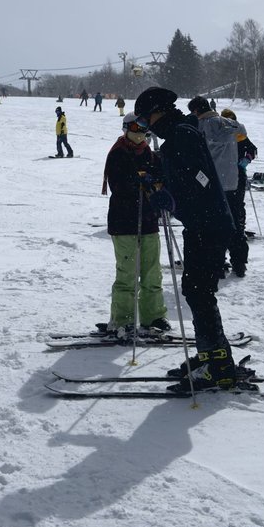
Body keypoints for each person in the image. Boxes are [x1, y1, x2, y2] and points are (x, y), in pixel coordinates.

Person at [133, 87, 237, 392]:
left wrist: (171, 195)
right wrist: (160, 183)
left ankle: (218, 366)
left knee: (199, 291)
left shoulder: (183, 134)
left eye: (145, 118)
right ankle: (210, 356)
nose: (144, 125)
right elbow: (183, 175)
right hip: (202, 224)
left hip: (210, 225)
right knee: (196, 290)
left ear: (159, 111)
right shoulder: (177, 135)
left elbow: (198, 180)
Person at [101, 112, 169, 338]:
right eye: (135, 128)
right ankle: (123, 320)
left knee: (152, 272)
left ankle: (153, 316)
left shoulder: (151, 155)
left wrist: (156, 184)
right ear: (126, 128)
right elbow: (118, 186)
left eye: (143, 129)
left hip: (149, 220)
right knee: (128, 273)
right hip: (124, 222)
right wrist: (137, 182)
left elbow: (161, 178)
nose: (139, 133)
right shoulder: (118, 153)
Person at [187, 96, 250, 280]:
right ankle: (239, 263)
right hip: (232, 181)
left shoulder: (199, 126)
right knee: (235, 224)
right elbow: (243, 133)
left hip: (211, 184)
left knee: (213, 227)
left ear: (196, 111)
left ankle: (217, 264)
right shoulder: (230, 124)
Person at [220, 108, 258, 274]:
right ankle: (222, 261)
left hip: (236, 178)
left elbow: (252, 150)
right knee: (224, 220)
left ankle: (238, 262)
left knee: (235, 219)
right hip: (221, 179)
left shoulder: (240, 135)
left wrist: (245, 160)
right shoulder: (218, 135)